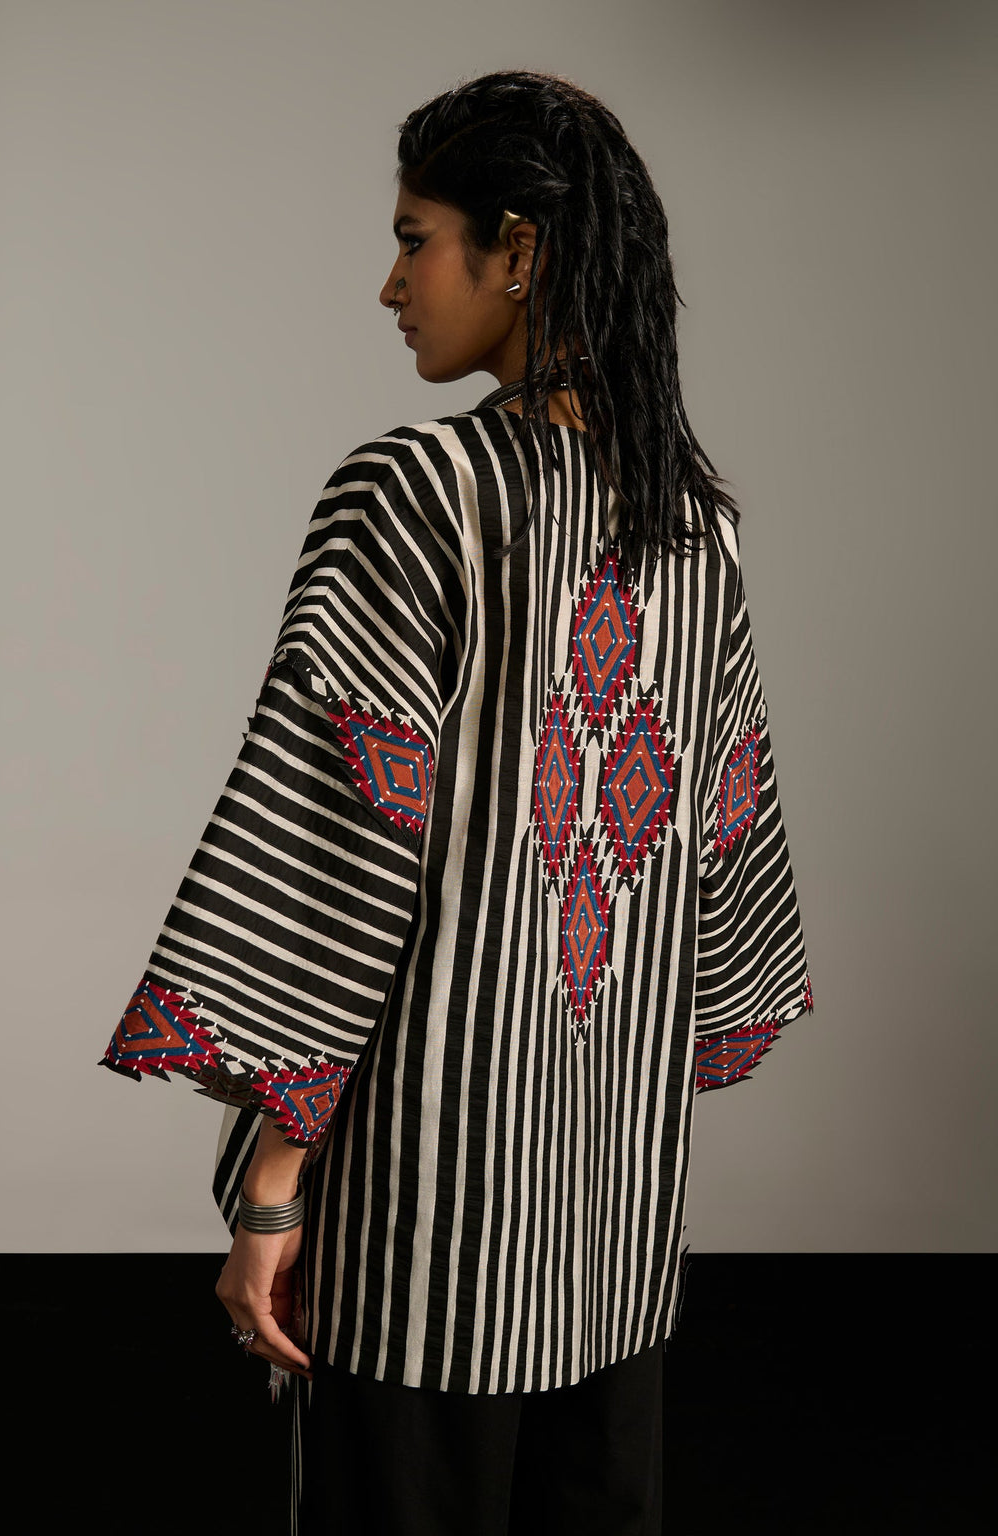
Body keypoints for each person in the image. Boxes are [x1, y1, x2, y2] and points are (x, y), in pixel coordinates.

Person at [100, 69, 813, 1534]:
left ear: (520, 249)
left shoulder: (416, 489)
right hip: (610, 1216)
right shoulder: (701, 524)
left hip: (424, 1222)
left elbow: (341, 844)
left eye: (416, 237)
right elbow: (721, 840)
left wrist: (274, 1200)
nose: (390, 282)